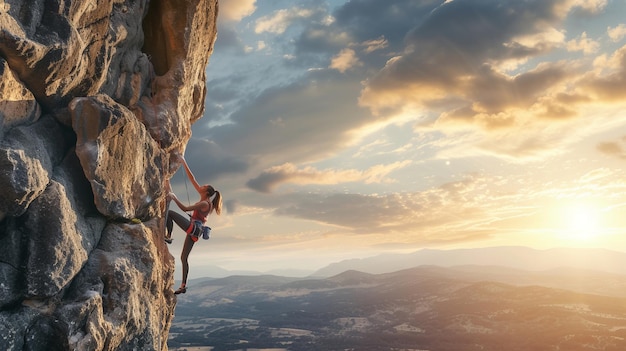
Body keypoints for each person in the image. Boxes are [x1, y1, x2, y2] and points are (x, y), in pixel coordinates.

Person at [165, 154, 222, 294]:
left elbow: (184, 209)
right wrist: (183, 161)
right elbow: (192, 179)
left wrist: (174, 197)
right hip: (195, 231)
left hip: (193, 228)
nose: (201, 186)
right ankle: (183, 286)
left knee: (171, 214)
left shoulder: (204, 203)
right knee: (184, 257)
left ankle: (168, 235)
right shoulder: (204, 197)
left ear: (206, 192)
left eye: (204, 186)